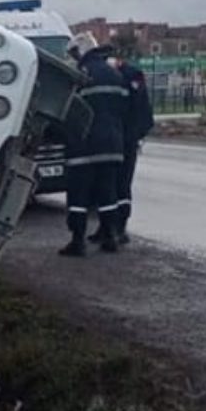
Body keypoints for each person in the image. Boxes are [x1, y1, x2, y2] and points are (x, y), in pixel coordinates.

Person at [60, 32, 127, 257]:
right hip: (112, 145)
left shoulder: (79, 75)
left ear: (81, 51)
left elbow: (68, 111)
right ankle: (111, 236)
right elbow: (124, 110)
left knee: (78, 196)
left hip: (83, 145)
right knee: (108, 193)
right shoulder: (115, 74)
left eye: (73, 53)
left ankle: (78, 241)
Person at [90, 49, 155, 244]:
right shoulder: (111, 75)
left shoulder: (131, 75)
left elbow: (141, 108)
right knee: (106, 185)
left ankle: (119, 227)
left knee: (121, 185)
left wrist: (136, 135)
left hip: (125, 138)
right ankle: (106, 226)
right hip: (114, 137)